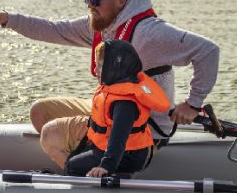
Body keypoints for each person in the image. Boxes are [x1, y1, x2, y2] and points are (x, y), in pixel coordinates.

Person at [0, 0, 219, 169]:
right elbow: (54, 29)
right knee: (40, 112)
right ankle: (89, 161)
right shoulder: (102, 24)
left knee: (51, 134)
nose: (90, 5)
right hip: (111, 113)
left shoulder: (149, 33)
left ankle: (84, 177)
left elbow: (208, 51)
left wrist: (193, 103)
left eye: (96, 0)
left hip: (141, 129)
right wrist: (6, 18)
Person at [66, 40, 170, 178]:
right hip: (116, 149)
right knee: (72, 158)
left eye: (100, 66)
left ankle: (115, 180)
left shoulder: (124, 103)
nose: (95, 71)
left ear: (115, 68)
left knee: (72, 166)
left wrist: (106, 166)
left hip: (130, 155)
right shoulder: (113, 87)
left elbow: (118, 138)